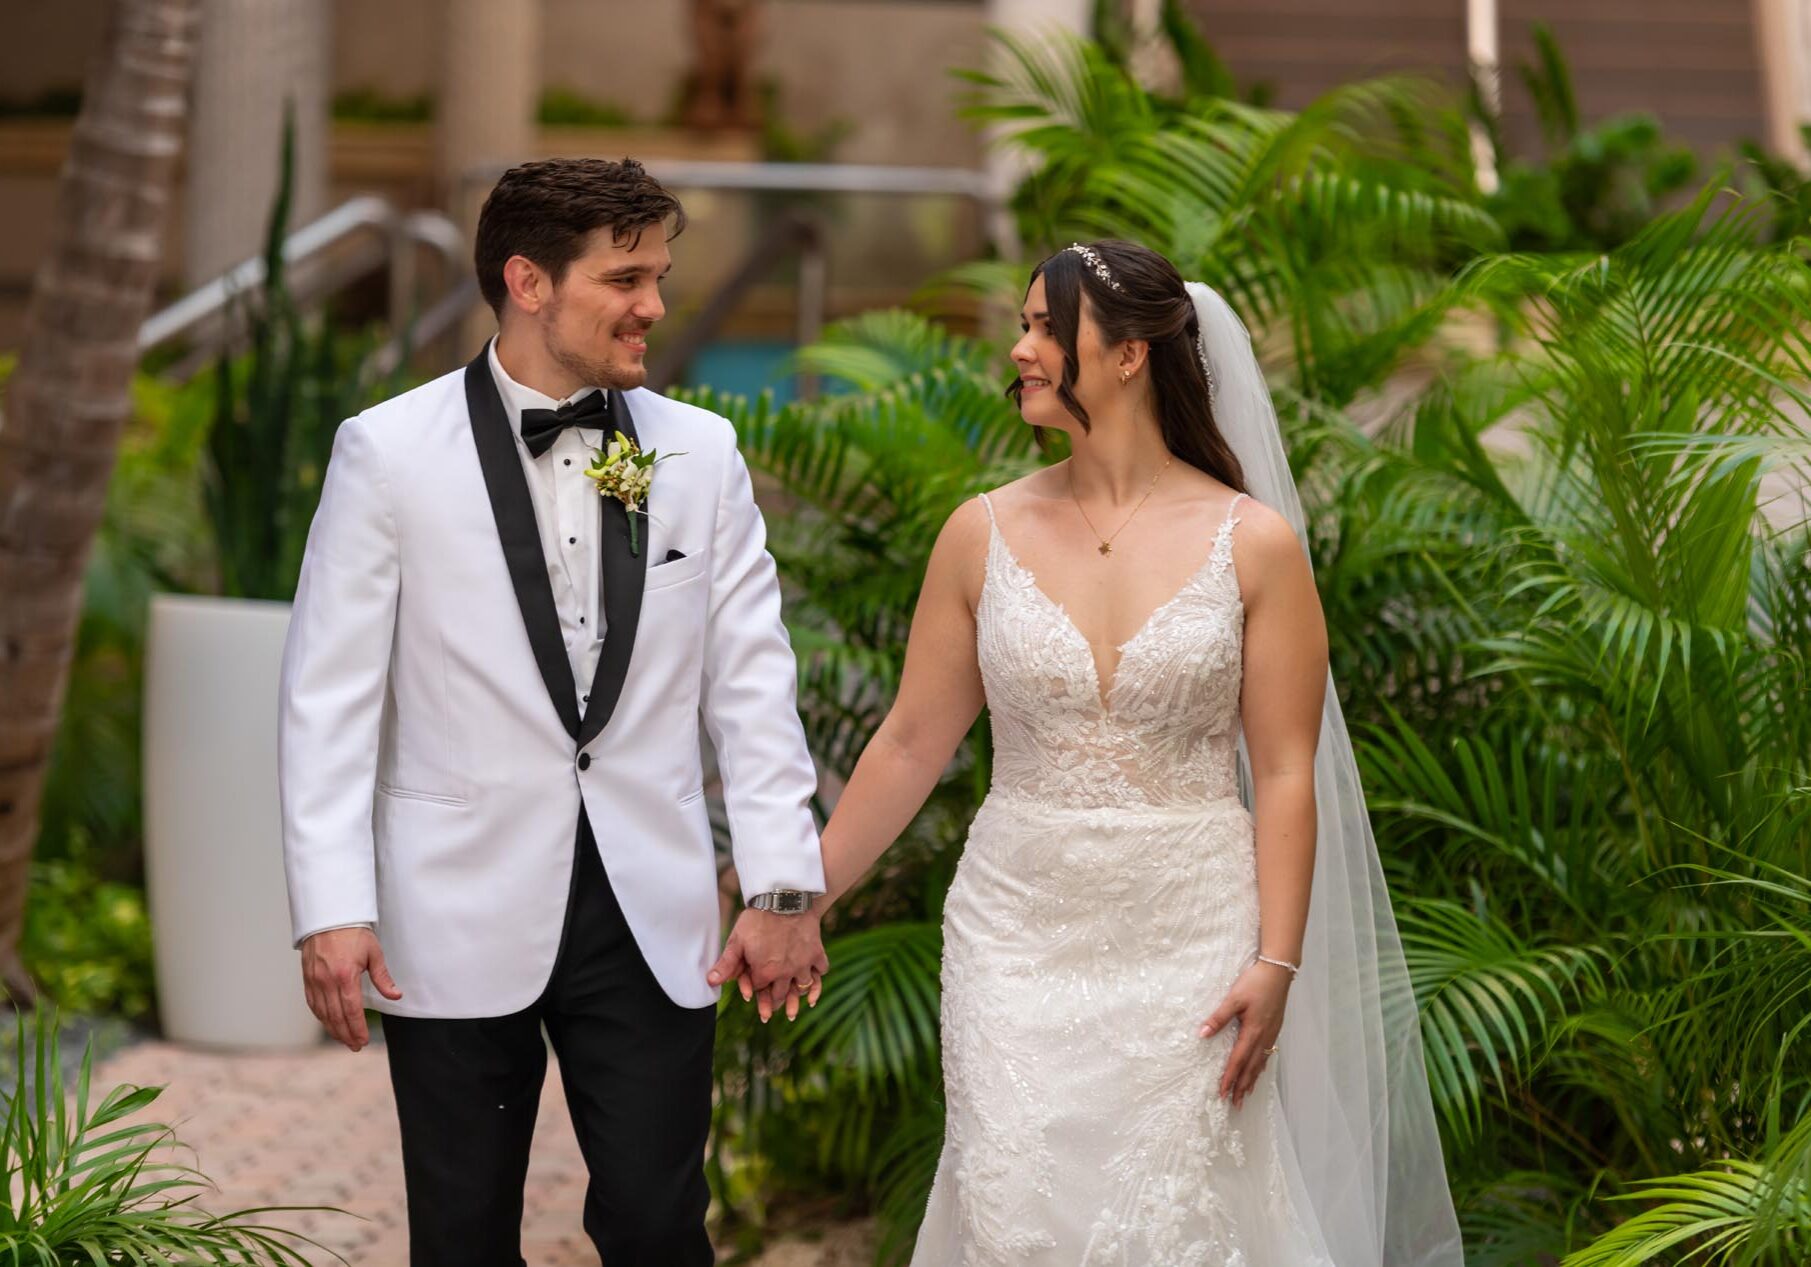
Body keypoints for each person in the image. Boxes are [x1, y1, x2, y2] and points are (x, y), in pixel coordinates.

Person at [715, 240, 1464, 1264]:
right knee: (1013, 1203)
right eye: (1022, 326)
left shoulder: (1252, 545)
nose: (1018, 349)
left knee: (1182, 1225)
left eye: (1042, 327)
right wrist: (800, 900)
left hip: (1193, 937)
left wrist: (1275, 961)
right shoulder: (978, 534)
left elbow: (1285, 769)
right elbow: (905, 744)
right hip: (1014, 930)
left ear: (1128, 355)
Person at [278, 157, 828, 1267]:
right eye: (625, 278)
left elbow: (752, 683)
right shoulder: (385, 454)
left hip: (647, 907)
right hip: (453, 900)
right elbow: (326, 700)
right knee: (463, 1236)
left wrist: (779, 885)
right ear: (527, 281)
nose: (654, 307)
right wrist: (330, 906)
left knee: (657, 1226)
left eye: (660, 276)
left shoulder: (700, 452)